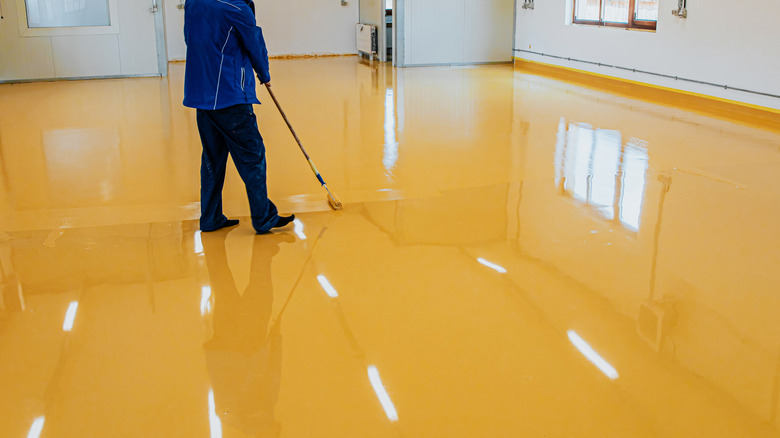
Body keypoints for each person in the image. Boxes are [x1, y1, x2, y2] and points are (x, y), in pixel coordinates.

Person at [183, 0, 294, 234]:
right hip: (229, 96)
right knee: (252, 155)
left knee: (212, 158)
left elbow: (191, 40)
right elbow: (255, 46)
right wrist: (264, 74)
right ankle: (264, 218)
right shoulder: (236, 9)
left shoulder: (192, 3)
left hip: (201, 95)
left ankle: (210, 218)